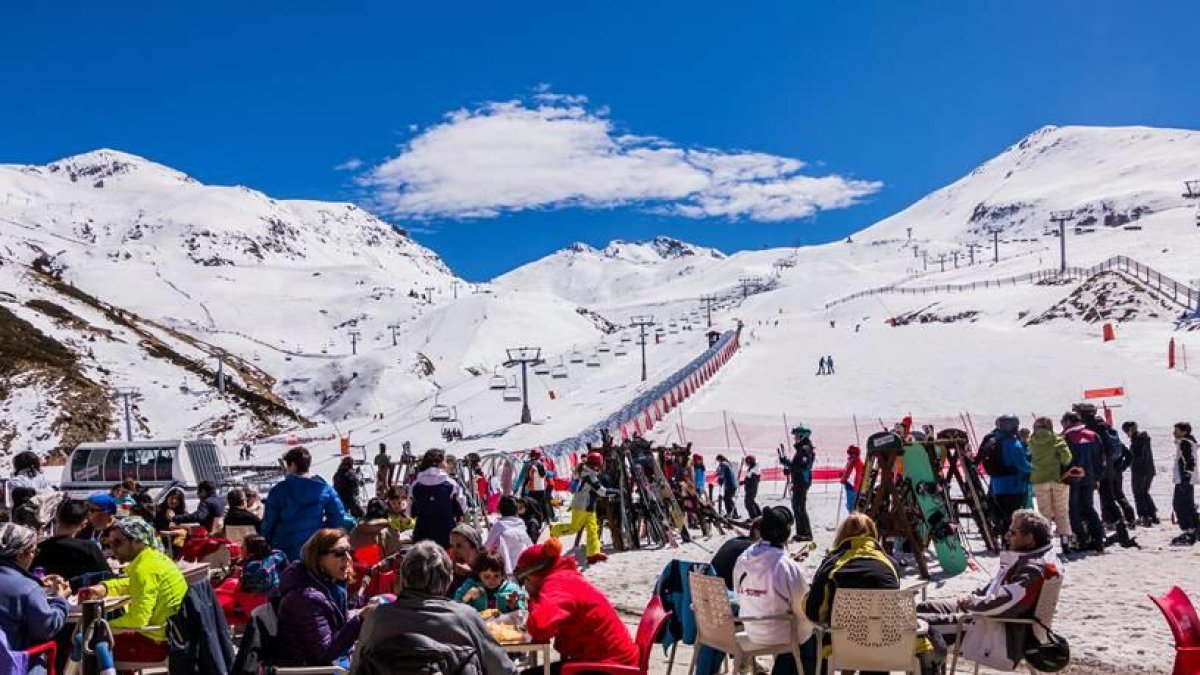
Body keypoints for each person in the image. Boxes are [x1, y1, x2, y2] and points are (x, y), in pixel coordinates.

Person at [918, 510, 1063, 671]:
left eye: (1013, 532)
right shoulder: (1033, 558)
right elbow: (997, 587)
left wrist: (972, 602)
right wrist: (973, 597)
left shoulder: (1033, 568)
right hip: (990, 618)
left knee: (919, 624)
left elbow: (1006, 604)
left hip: (996, 630)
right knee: (924, 608)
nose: (1007, 536)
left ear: (1030, 538)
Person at [352, 540, 517, 674]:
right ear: (447, 580)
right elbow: (503, 669)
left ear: (404, 578)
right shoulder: (466, 618)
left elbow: (356, 669)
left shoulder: (378, 618)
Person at [805, 514, 933, 674]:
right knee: (876, 631)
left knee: (826, 635)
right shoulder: (890, 564)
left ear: (842, 535)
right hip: (886, 647)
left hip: (844, 647)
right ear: (874, 534)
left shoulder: (832, 564)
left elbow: (813, 611)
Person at [514, 537, 638, 673]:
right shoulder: (566, 576)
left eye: (526, 579)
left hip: (610, 667)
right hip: (614, 659)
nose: (526, 584)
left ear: (536, 573)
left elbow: (540, 629)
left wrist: (533, 600)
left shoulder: (557, 584)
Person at [79, 517, 188, 664]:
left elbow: (138, 620)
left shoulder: (143, 569)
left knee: (85, 643)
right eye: (109, 543)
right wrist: (105, 588)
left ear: (138, 541)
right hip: (173, 635)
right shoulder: (154, 559)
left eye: (118, 542)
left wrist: (99, 627)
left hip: (158, 643)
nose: (112, 549)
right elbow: (134, 584)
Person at [733, 506, 816, 675]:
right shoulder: (786, 566)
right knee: (814, 635)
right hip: (780, 633)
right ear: (786, 535)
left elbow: (738, 593)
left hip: (751, 629)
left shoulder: (743, 558)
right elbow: (803, 608)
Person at [274, 528, 369, 668]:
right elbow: (325, 652)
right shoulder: (305, 599)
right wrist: (360, 619)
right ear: (318, 558)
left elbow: (337, 623)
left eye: (349, 551)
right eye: (339, 553)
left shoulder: (329, 584)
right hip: (311, 669)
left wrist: (363, 609)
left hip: (331, 663)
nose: (348, 558)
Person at [0, 523, 70, 675]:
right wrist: (61, 600)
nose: (34, 557)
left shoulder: (27, 586)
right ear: (20, 555)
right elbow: (46, 628)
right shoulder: (27, 588)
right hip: (12, 664)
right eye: (33, 552)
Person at [263, 446, 347, 561]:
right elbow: (338, 515)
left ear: (293, 465)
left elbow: (269, 521)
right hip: (313, 546)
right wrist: (322, 534)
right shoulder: (323, 488)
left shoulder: (279, 490)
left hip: (284, 546)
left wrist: (267, 539)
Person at [1075, 404, 1137, 536]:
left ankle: (1104, 527)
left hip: (1096, 469)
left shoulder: (1090, 427)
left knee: (1089, 499)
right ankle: (1120, 525)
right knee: (1109, 498)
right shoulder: (1105, 426)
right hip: (1108, 469)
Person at [31, 500, 110, 590]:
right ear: (84, 523)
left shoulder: (38, 548)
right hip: (81, 599)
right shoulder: (89, 548)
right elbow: (108, 577)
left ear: (56, 518)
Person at [549, 452, 609, 564]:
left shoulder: (589, 472)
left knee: (592, 529)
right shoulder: (589, 475)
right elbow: (601, 491)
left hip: (589, 506)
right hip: (581, 506)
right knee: (574, 528)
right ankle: (554, 530)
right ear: (595, 464)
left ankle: (593, 553)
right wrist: (615, 492)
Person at [1061, 412, 1106, 553]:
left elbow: (1064, 460)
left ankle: (1081, 540)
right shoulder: (1093, 435)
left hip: (1073, 479)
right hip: (1090, 477)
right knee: (1088, 507)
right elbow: (1101, 458)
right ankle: (1098, 539)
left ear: (1068, 422)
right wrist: (1097, 476)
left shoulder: (1068, 437)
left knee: (1073, 509)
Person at [1028, 417, 1073, 549]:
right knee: (1061, 510)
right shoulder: (1057, 439)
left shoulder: (1031, 441)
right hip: (1057, 479)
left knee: (1044, 511)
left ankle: (1045, 540)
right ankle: (1065, 540)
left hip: (1039, 479)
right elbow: (1067, 459)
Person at [410, 448, 468, 548]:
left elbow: (410, 512)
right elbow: (462, 507)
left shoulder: (415, 485)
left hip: (422, 536)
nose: (447, 464)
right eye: (445, 461)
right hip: (446, 535)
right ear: (439, 463)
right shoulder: (450, 484)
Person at [988, 415, 1033, 538]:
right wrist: (1033, 467)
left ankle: (1005, 541)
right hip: (1014, 487)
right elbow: (1022, 465)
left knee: (1003, 517)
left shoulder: (994, 441)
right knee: (1014, 519)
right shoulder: (1013, 444)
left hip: (998, 486)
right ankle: (1011, 543)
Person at [454, 550, 527, 613]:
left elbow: (523, 610)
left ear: (502, 575)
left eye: (496, 576)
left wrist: (515, 605)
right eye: (487, 577)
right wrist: (467, 597)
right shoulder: (470, 586)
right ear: (479, 574)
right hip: (477, 625)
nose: (492, 580)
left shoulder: (511, 590)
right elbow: (456, 606)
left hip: (503, 626)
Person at [780, 425, 815, 541]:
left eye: (796, 436)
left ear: (802, 436)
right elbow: (797, 466)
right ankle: (801, 532)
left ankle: (807, 533)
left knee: (800, 507)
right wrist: (788, 467)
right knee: (796, 506)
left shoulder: (805, 449)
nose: (795, 439)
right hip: (799, 480)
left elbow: (802, 466)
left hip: (802, 481)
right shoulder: (802, 449)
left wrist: (788, 464)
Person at [484, 496, 534, 578]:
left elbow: (488, 545)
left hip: (506, 567)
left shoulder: (499, 525)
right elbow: (529, 543)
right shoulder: (520, 523)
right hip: (521, 564)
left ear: (500, 510)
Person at [1122, 420, 1159, 527]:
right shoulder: (1143, 439)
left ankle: (1144, 516)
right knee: (1144, 492)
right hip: (1148, 470)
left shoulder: (1138, 441)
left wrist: (1128, 461)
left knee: (1139, 493)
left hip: (1140, 470)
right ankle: (1152, 515)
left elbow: (1138, 457)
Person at [709, 518, 760, 590]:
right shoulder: (753, 549)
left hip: (708, 584)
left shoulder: (735, 540)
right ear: (757, 532)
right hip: (725, 592)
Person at [1171, 422, 1198, 546]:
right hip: (1187, 480)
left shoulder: (1185, 443)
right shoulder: (1189, 442)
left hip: (1184, 480)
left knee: (1179, 505)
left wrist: (1186, 475)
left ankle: (1189, 531)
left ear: (1184, 432)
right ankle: (1195, 529)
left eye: (1176, 430)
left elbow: (1189, 461)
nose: (1174, 433)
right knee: (1188, 505)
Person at [448, 524, 482, 595]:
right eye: (451, 546)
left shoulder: (487, 570)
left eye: (459, 546)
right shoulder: (448, 573)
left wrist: (471, 575)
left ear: (475, 549)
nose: (454, 551)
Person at [841, 445, 865, 514]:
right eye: (850, 453)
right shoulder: (852, 461)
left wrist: (844, 479)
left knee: (851, 506)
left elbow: (855, 475)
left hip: (853, 487)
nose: (850, 455)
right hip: (851, 487)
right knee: (851, 505)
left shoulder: (856, 462)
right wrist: (843, 476)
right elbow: (848, 472)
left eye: (852, 453)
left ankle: (853, 519)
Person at [715, 455, 738, 519]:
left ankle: (730, 513)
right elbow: (720, 471)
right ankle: (733, 513)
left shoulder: (724, 464)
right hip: (731, 484)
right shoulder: (727, 463)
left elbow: (722, 473)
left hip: (730, 484)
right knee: (728, 499)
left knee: (727, 499)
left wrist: (720, 478)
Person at [741, 455, 762, 519]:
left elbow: (751, 480)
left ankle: (753, 517)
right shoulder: (752, 468)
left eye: (747, 462)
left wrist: (745, 482)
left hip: (751, 489)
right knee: (751, 501)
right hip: (750, 488)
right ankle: (759, 514)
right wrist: (744, 482)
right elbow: (748, 478)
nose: (746, 464)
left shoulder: (754, 470)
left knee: (748, 503)